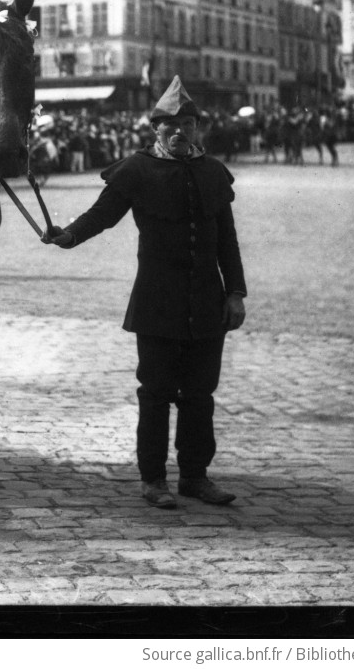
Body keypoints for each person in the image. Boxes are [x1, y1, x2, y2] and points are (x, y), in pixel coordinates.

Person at [45, 77, 247, 510]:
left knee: (199, 393)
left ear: (197, 129)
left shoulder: (212, 172)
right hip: (157, 302)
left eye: (187, 125)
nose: (179, 132)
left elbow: (227, 239)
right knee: (155, 392)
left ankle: (195, 476)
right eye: (169, 126)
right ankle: (153, 479)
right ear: (154, 129)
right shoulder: (136, 170)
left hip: (208, 304)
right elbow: (103, 214)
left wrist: (235, 293)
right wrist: (70, 235)